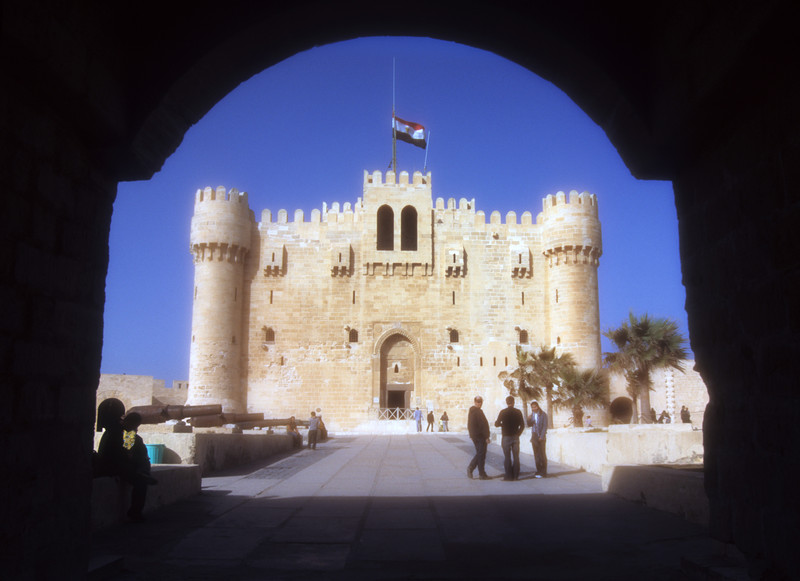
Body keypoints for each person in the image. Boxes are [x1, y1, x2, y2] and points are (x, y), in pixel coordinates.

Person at [94, 398, 156, 522]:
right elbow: (126, 453)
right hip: (113, 466)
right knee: (140, 482)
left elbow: (130, 452)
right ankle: (135, 512)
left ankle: (143, 474)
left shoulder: (120, 432)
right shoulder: (121, 433)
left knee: (140, 473)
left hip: (115, 465)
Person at [495, 396, 525, 481]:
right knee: (516, 457)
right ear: (513, 402)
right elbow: (522, 425)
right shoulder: (518, 412)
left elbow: (497, 423)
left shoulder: (503, 412)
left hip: (506, 437)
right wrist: (518, 434)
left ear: (506, 402)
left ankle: (508, 475)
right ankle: (515, 476)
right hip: (515, 436)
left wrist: (501, 424)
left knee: (507, 457)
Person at [467, 396, 491, 480]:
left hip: (475, 436)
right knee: (481, 454)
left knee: (480, 454)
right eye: (477, 401)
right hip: (480, 436)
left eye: (480, 401)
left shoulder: (472, 411)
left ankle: (481, 473)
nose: (479, 403)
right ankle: (473, 468)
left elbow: (469, 424)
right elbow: (482, 425)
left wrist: (471, 434)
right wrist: (486, 436)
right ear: (474, 402)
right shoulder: (477, 411)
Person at [529, 400, 548, 478]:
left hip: (541, 436)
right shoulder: (532, 415)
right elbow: (529, 424)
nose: (534, 408)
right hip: (534, 436)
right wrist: (528, 419)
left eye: (535, 407)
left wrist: (542, 436)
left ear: (538, 406)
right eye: (532, 407)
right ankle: (538, 471)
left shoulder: (543, 415)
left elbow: (545, 426)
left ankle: (544, 471)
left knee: (542, 454)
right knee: (536, 455)